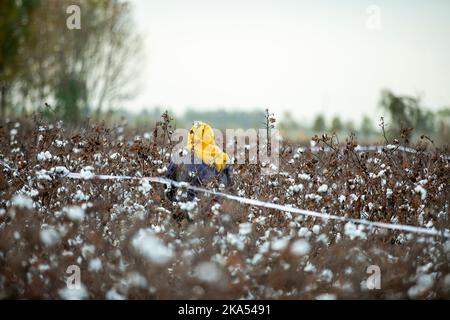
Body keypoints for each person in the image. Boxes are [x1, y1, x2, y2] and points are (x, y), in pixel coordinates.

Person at [165, 121, 233, 201]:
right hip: (211, 207)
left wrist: (172, 200)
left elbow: (168, 179)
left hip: (183, 204)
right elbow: (228, 186)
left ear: (191, 136)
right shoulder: (220, 156)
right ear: (210, 137)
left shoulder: (181, 154)